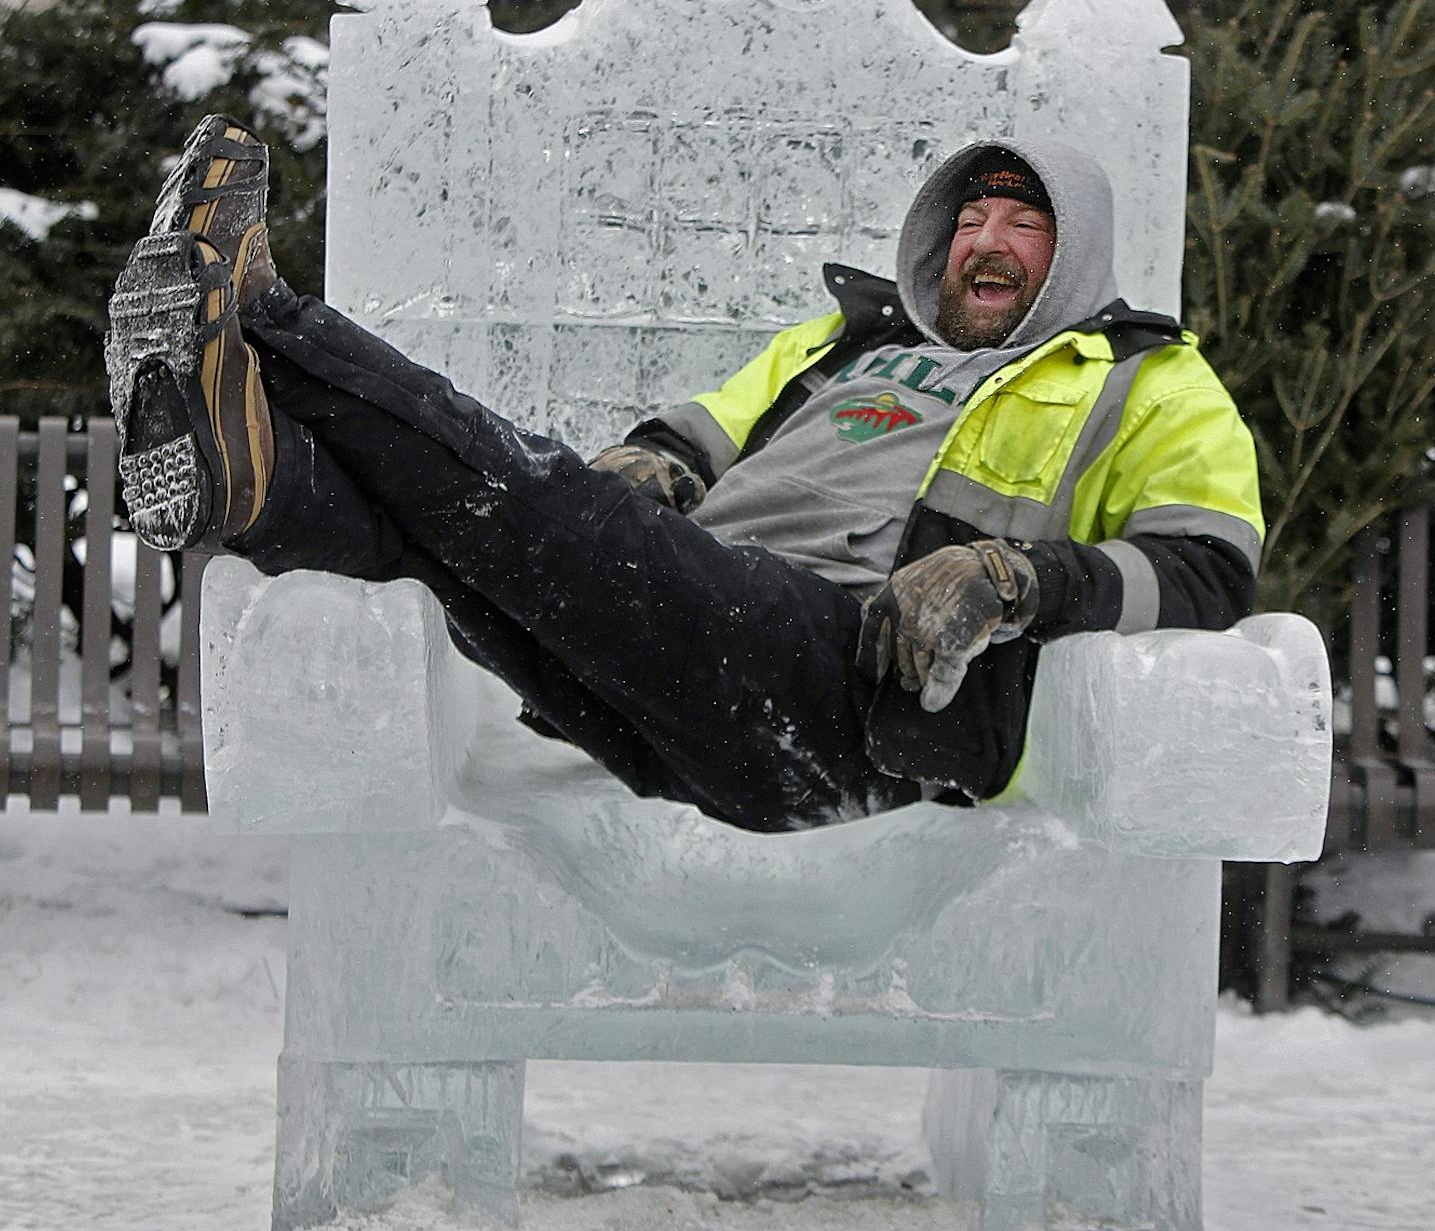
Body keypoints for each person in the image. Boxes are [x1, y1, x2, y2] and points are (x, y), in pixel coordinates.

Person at [106, 116, 1263, 832]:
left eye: (1025, 222)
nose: (989, 241)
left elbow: (1208, 570)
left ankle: (267, 320)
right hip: (689, 661)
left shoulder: (1147, 379)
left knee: (527, 498)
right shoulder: (854, 344)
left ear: (1079, 255)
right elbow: (701, 429)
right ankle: (254, 489)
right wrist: (652, 463)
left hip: (850, 695)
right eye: (972, 217)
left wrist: (1015, 580)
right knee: (450, 560)